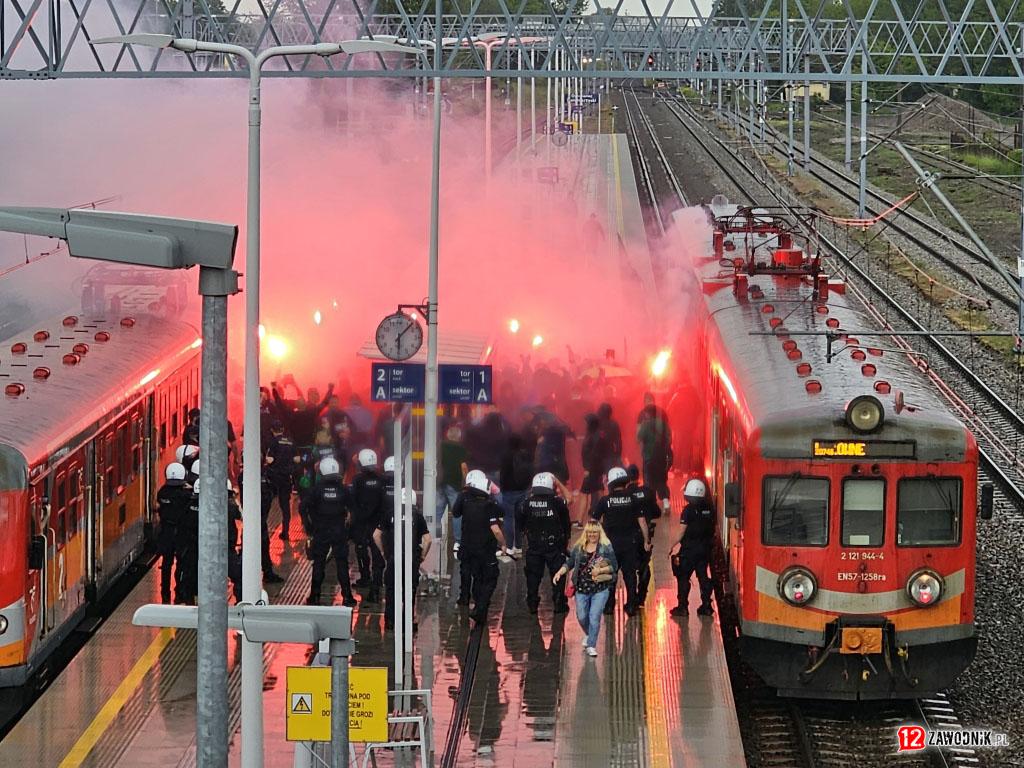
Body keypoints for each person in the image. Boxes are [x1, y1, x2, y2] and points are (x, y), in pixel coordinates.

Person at [553, 520, 618, 657]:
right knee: (581, 616)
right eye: (590, 532)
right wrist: (560, 573)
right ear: (586, 533)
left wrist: (601, 570)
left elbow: (614, 566)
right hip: (581, 589)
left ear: (599, 533)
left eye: (595, 532)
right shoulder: (579, 547)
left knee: (594, 616)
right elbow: (570, 563)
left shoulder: (605, 547)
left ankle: (591, 645)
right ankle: (590, 634)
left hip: (600, 589)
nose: (592, 535)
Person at [592, 466, 650, 617]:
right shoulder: (633, 499)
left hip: (610, 544)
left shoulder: (605, 501)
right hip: (629, 543)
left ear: (610, 483)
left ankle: (609, 606)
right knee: (630, 575)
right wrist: (646, 541)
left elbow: (593, 522)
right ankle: (631, 605)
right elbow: (642, 521)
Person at [452, 469, 507, 626]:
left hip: (467, 545)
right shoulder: (490, 505)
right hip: (485, 549)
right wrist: (503, 544)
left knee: (469, 571)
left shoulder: (464, 498)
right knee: (488, 577)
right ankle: (479, 607)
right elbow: (497, 525)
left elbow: (456, 513)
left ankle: (466, 598)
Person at [374, 489, 431, 632]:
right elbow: (428, 540)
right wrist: (422, 556)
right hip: (411, 560)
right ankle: (407, 622)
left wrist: (383, 552)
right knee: (409, 591)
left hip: (394, 558)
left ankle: (390, 621)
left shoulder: (390, 513)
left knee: (391, 590)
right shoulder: (417, 516)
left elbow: (376, 535)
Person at [303, 457, 357, 607]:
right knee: (342, 563)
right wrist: (349, 529)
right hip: (339, 530)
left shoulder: (316, 490)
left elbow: (303, 507)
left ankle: (314, 596)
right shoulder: (343, 490)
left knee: (319, 562)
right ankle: (347, 596)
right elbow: (353, 509)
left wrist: (309, 527)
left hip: (321, 530)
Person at [517, 472, 572, 615]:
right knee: (558, 574)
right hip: (554, 545)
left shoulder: (526, 503)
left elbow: (520, 524)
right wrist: (566, 541)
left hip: (534, 545)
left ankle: (532, 602)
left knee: (533, 576)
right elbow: (566, 523)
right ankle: (559, 602)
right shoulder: (557, 502)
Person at [670, 479, 716, 617]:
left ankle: (682, 607)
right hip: (704, 549)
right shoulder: (710, 508)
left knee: (683, 576)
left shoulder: (688, 511)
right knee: (703, 576)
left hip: (689, 550)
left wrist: (671, 545)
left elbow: (681, 531)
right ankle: (707, 606)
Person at [349, 448, 386, 601]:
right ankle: (376, 584)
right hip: (378, 523)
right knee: (377, 554)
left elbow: (353, 500)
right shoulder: (381, 479)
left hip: (362, 522)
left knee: (361, 549)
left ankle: (365, 577)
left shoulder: (358, 479)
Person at [156, 462, 191, 604]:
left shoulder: (162, 492)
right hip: (181, 533)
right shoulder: (185, 495)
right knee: (182, 563)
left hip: (166, 533)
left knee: (166, 564)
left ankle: (165, 593)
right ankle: (179, 592)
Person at [627, 464, 661, 605]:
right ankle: (641, 597)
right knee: (644, 565)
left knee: (629, 567)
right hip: (645, 534)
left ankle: (632, 598)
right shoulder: (648, 491)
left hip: (629, 535)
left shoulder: (625, 494)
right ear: (638, 476)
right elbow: (657, 513)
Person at [499, 432, 534, 557]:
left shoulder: (506, 456)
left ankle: (509, 546)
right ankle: (519, 546)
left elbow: (502, 474)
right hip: (523, 490)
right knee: (519, 518)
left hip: (509, 491)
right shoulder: (526, 454)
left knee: (509, 518)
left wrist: (502, 488)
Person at [637, 402, 673, 516]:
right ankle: (666, 504)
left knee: (649, 482)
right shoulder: (663, 424)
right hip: (662, 457)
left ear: (648, 414)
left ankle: (651, 506)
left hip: (649, 457)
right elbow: (669, 438)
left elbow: (639, 439)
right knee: (661, 480)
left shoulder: (645, 425)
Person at [437, 422, 468, 556]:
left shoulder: (441, 445)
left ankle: (433, 535)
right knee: (456, 513)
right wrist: (466, 482)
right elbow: (463, 467)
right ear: (459, 437)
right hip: (454, 484)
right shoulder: (461, 449)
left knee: (437, 511)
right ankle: (458, 541)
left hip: (440, 481)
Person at [266, 420, 298, 540]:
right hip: (286, 478)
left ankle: (265, 531)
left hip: (274, 477)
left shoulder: (273, 442)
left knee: (267, 503)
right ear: (283, 429)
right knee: (285, 506)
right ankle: (285, 531)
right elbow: (297, 459)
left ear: (272, 430)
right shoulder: (291, 441)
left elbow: (269, 459)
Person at [580, 414, 609, 520]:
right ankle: (604, 516)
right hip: (596, 469)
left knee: (584, 493)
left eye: (586, 422)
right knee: (599, 490)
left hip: (592, 470)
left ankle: (579, 521)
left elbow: (593, 454)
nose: (585, 424)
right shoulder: (596, 435)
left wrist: (588, 468)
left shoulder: (595, 436)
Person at [596, 403, 622, 470]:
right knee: (609, 475)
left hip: (598, 456)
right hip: (610, 455)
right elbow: (618, 442)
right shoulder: (614, 424)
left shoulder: (596, 425)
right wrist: (617, 455)